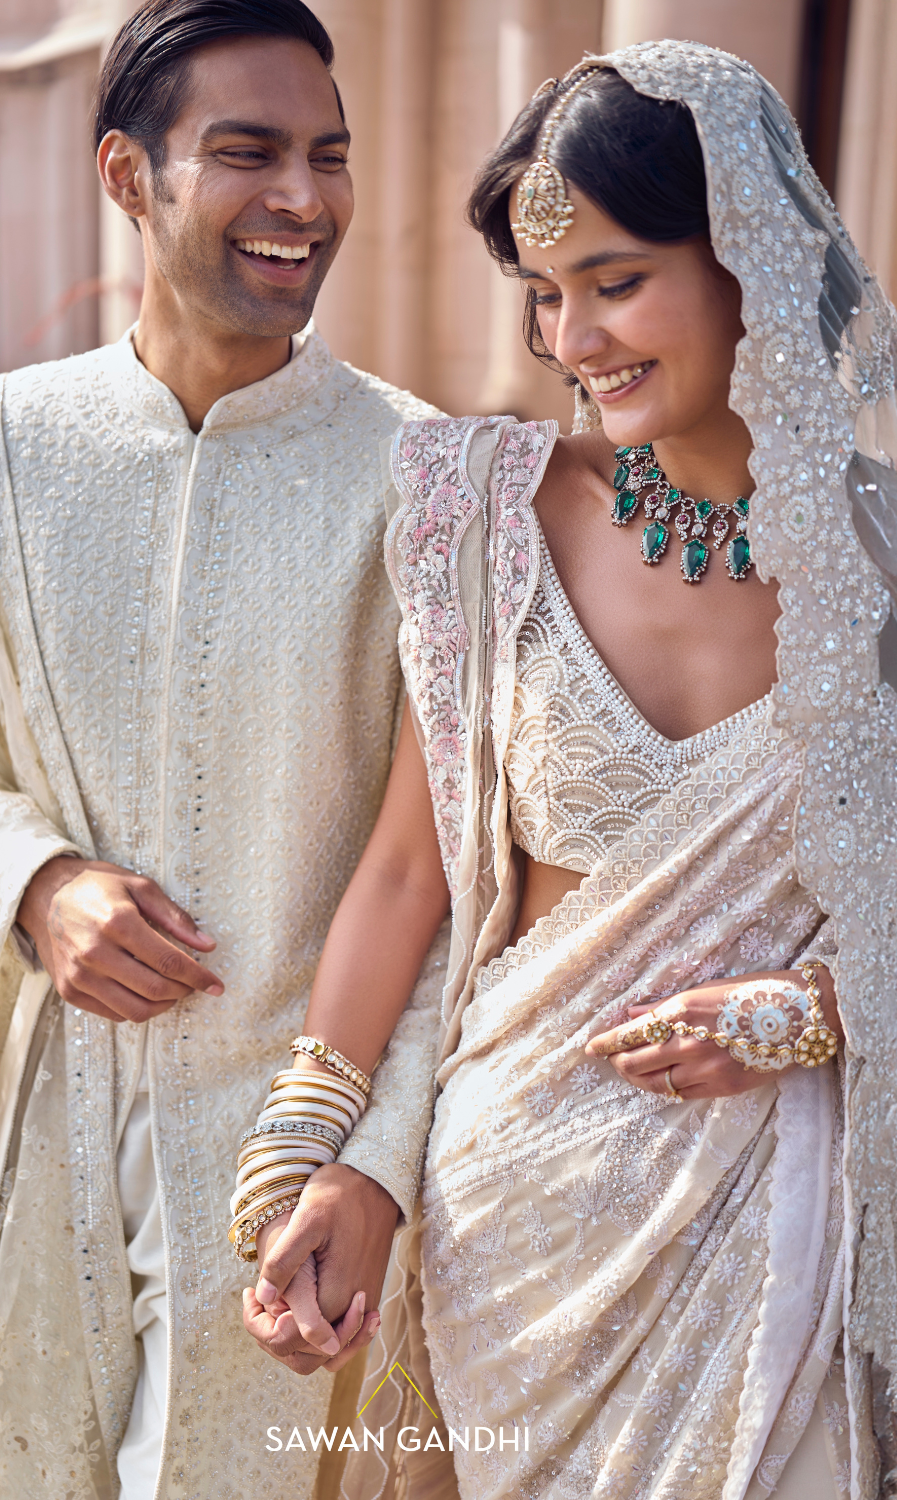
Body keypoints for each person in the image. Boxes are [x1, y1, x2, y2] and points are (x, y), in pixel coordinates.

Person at [242, 41, 897, 1500]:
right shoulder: (488, 512)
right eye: (544, 294)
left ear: (748, 263)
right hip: (512, 1225)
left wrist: (816, 1014)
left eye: (616, 280)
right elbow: (408, 869)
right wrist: (306, 1153)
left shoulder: (883, 562)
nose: (573, 336)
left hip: (775, 1229)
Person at [0, 2, 448, 1497]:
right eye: (249, 152)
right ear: (126, 176)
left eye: (330, 156)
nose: (304, 198)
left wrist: (374, 1160)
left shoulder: (427, 482)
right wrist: (33, 881)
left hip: (293, 1185)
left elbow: (468, 876)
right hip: (32, 1153)